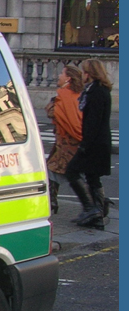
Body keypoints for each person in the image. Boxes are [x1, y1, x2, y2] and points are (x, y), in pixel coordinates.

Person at [65, 58, 113, 228]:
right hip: (97, 141)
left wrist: (85, 144)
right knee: (93, 177)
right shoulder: (94, 90)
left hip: (95, 143)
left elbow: (94, 121)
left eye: (84, 71)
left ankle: (90, 208)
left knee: (72, 170)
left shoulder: (98, 92)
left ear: (90, 73)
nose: (82, 75)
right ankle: (97, 216)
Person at [44, 65, 83, 215]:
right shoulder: (77, 94)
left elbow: (55, 113)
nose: (59, 76)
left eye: (62, 73)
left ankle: (96, 203)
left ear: (68, 78)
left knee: (59, 170)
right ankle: (52, 200)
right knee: (54, 169)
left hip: (68, 142)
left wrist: (52, 104)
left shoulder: (65, 95)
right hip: (67, 141)